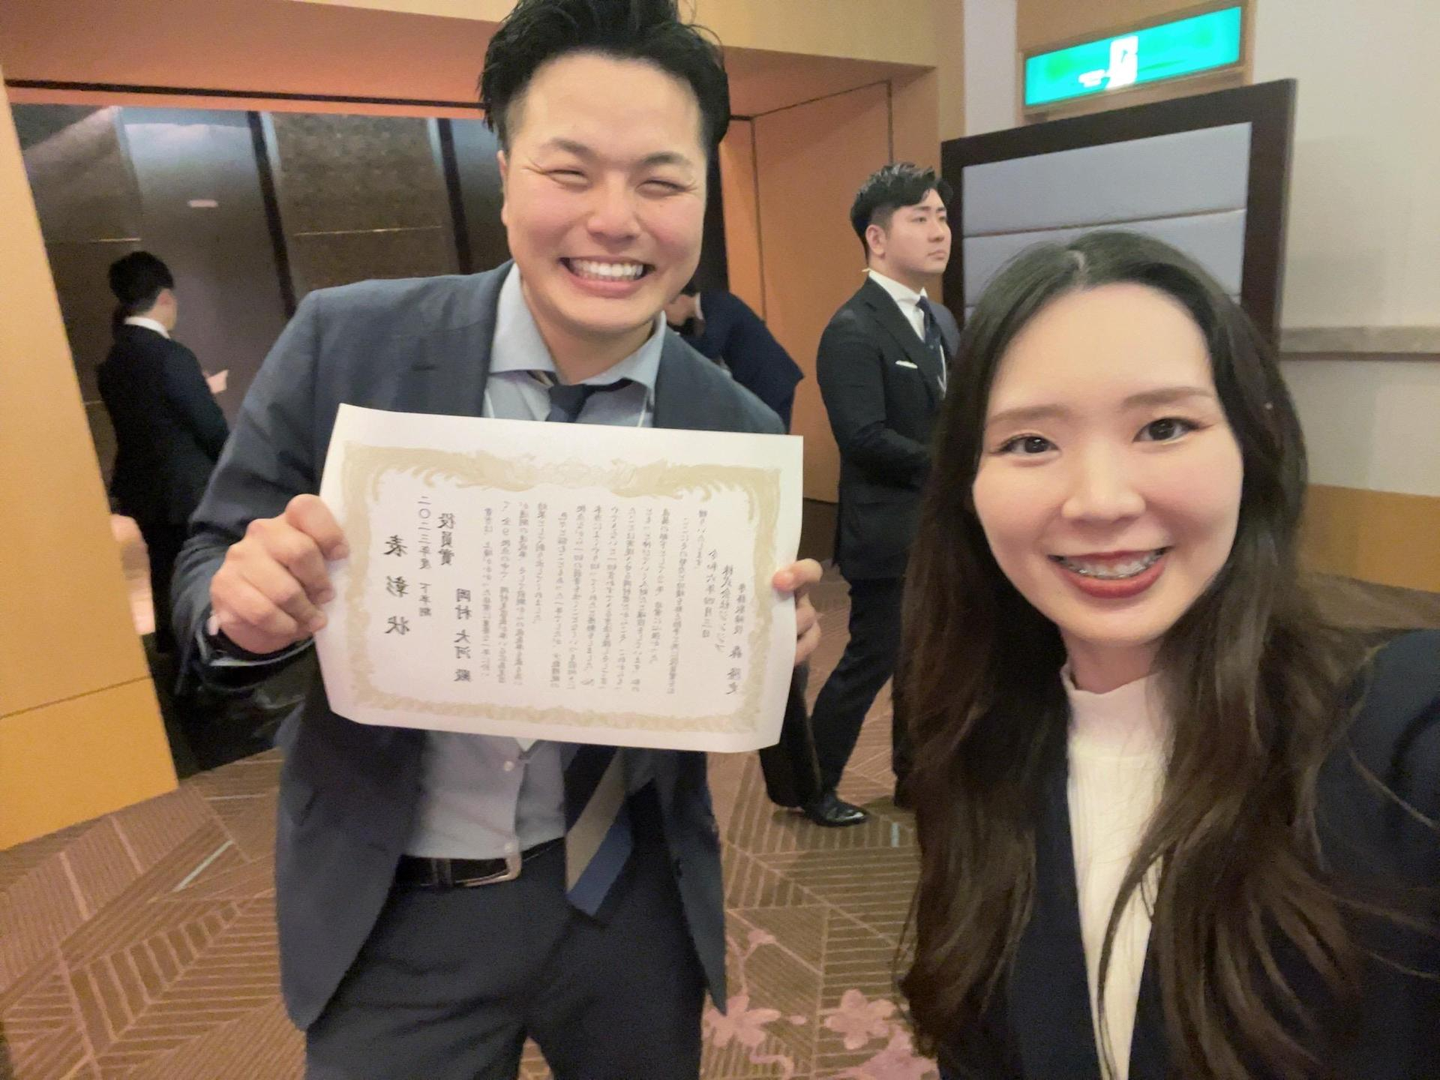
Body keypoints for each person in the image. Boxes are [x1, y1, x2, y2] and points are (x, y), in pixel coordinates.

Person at [170, 2, 822, 1078]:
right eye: (571, 172)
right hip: (397, 910)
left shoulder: (739, 432)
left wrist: (773, 652)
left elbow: (731, 684)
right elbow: (206, 571)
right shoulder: (350, 343)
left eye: (661, 182)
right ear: (508, 173)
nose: (614, 220)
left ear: (704, 193)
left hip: (629, 908)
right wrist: (242, 607)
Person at [900, 231, 1439, 1080]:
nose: (1101, 500)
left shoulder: (1400, 733)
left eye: (1163, 427)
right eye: (1030, 443)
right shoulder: (978, 748)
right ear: (968, 488)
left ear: (1252, 446)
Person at [807, 163, 957, 825]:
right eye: (920, 218)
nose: (939, 231)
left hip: (938, 527)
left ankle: (913, 778)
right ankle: (810, 785)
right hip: (888, 530)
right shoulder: (853, 328)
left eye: (942, 217)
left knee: (925, 661)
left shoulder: (940, 319)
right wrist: (953, 468)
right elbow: (863, 436)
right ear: (877, 237)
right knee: (871, 659)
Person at [98, 251, 228, 653]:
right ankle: (207, 655)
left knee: (163, 568)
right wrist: (233, 464)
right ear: (165, 297)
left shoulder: (114, 359)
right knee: (201, 570)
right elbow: (208, 425)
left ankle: (172, 653)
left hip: (142, 487)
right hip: (186, 488)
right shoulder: (171, 355)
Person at [665, 281, 804, 428]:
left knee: (773, 436)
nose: (666, 318)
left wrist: (672, 339)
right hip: (763, 379)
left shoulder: (716, 302)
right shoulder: (707, 311)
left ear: (677, 298)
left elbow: (709, 347)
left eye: (664, 310)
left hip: (770, 379)